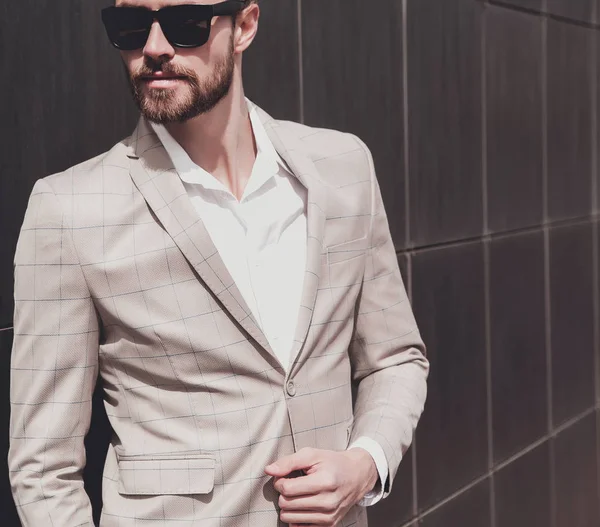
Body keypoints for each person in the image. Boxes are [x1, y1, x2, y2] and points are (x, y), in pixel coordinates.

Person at [8, 1, 429, 526]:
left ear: (245, 26)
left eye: (186, 24)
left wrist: (367, 462)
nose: (155, 48)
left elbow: (395, 359)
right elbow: (42, 463)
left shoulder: (342, 168)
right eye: (131, 27)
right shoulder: (69, 209)